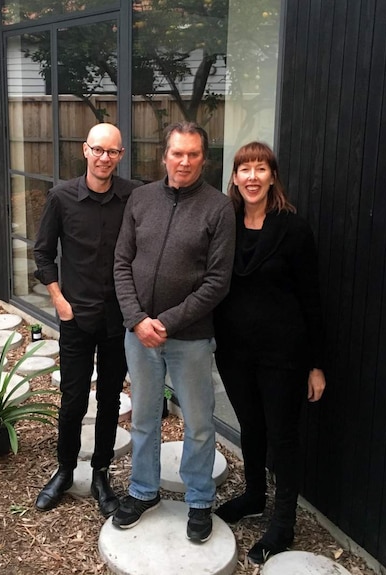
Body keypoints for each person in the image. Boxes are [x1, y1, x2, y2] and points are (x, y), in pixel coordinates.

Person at [112, 121, 235, 543]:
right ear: (164, 155)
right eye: (177, 153)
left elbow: (218, 282)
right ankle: (143, 491)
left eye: (193, 154)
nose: (184, 162)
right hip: (138, 333)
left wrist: (166, 322)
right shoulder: (141, 198)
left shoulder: (218, 208)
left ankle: (200, 499)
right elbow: (121, 262)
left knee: (199, 423)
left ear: (204, 158)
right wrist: (136, 318)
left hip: (190, 339)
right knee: (144, 419)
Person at [212, 141, 326, 564]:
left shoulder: (293, 229)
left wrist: (317, 364)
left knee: (283, 436)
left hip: (283, 354)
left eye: (261, 169)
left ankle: (283, 523)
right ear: (235, 178)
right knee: (251, 426)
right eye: (245, 169)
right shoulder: (226, 222)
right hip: (235, 351)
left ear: (272, 176)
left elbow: (312, 299)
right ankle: (255, 495)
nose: (253, 177)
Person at [33, 123, 139, 517]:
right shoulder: (62, 197)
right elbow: (43, 254)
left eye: (112, 152)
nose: (104, 158)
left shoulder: (133, 197)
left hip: (117, 319)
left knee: (110, 400)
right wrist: (59, 300)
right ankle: (64, 471)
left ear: (120, 155)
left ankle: (100, 474)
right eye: (98, 150)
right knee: (73, 399)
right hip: (75, 317)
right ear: (85, 151)